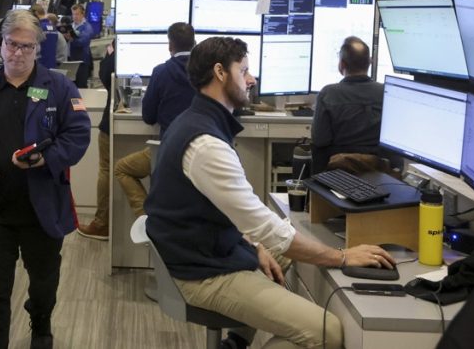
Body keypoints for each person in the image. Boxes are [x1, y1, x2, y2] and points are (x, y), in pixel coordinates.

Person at [145, 36, 394, 349]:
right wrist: (341, 256)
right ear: (221, 73)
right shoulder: (206, 144)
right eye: (245, 71)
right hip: (203, 274)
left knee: (275, 251)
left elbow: (236, 216)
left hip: (199, 251)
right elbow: (263, 225)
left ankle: (235, 342)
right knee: (328, 332)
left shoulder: (196, 121)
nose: (251, 79)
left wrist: (253, 245)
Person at [0, 9, 91, 349]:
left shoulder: (59, 87)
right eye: (11, 44)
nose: (17, 53)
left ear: (37, 49)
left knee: (44, 282)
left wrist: (47, 158)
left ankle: (41, 324)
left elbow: (77, 136)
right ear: (0, 44)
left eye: (26, 47)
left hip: (40, 209)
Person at [114, 22, 195, 217]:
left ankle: (146, 218)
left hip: (168, 151)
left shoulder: (161, 72)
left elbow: (148, 116)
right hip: (201, 152)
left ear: (170, 45)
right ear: (195, 43)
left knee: (122, 168)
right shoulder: (208, 72)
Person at [310, 36, 385, 174]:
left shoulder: (328, 94)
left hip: (336, 173)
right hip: (378, 173)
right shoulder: (386, 93)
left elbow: (320, 140)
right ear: (370, 62)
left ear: (342, 65)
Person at [77, 39, 115, 239]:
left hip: (113, 121)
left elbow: (105, 74)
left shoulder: (120, 42)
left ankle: (102, 223)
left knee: (107, 169)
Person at [64, 3, 94, 88]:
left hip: (82, 62)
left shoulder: (87, 27)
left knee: (81, 87)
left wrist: (71, 39)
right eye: (73, 14)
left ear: (82, 14)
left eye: (77, 14)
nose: (74, 16)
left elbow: (82, 42)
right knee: (71, 87)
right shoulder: (71, 26)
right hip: (71, 60)